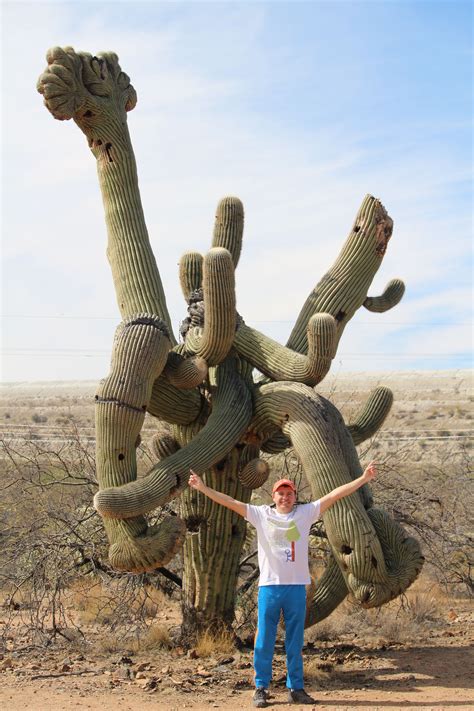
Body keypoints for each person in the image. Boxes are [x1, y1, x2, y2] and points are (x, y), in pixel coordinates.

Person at [188, 461, 377, 708]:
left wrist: (363, 479)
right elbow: (229, 502)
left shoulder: (305, 512)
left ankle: (296, 688)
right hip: (270, 586)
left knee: (294, 640)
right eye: (281, 493)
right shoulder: (261, 514)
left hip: (297, 587)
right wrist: (203, 488)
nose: (285, 497)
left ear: (294, 496)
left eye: (289, 494)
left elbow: (334, 495)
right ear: (274, 496)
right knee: (264, 639)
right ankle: (261, 688)